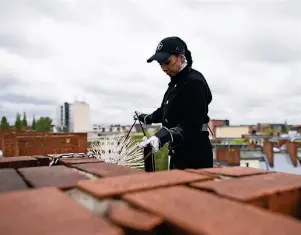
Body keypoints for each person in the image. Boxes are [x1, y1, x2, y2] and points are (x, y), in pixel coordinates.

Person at [135, 36, 213, 170]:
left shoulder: (194, 82)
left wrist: (165, 135)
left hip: (195, 156)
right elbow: (167, 110)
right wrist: (146, 118)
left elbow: (193, 123)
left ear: (181, 58)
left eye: (167, 62)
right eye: (160, 64)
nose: (164, 68)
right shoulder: (175, 82)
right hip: (178, 153)